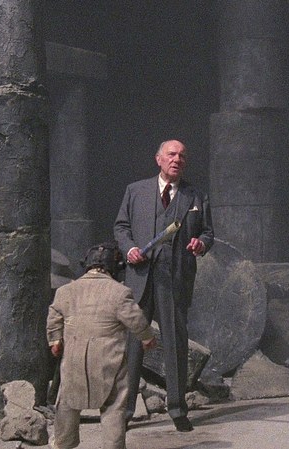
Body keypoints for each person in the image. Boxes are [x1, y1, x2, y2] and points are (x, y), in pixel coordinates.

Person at [113, 139, 214, 432]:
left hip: (175, 278)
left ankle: (177, 409)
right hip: (140, 277)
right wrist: (130, 248)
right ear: (159, 159)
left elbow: (208, 233)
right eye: (171, 154)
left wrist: (201, 244)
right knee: (133, 344)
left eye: (182, 155)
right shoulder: (135, 191)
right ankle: (126, 411)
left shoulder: (195, 196)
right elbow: (121, 227)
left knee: (175, 343)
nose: (177, 159)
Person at [47, 242, 157, 449]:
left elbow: (54, 316)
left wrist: (55, 340)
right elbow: (135, 319)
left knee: (67, 402)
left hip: (74, 360)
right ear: (115, 267)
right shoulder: (120, 292)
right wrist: (147, 337)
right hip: (108, 361)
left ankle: (63, 443)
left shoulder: (65, 291)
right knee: (114, 406)